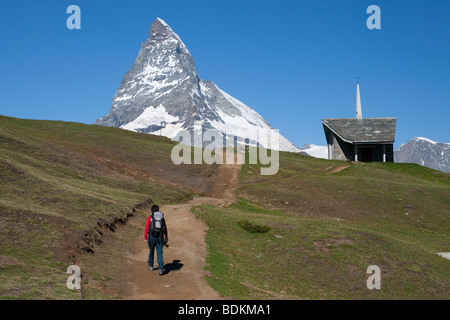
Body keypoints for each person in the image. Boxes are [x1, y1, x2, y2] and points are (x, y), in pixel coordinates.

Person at [144, 204, 168, 275]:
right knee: (159, 253)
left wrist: (145, 237)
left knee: (151, 250)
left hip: (151, 236)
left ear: (152, 210)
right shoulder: (162, 218)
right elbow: (165, 228)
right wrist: (166, 237)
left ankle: (151, 265)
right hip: (160, 237)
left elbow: (146, 228)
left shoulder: (150, 217)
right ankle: (160, 269)